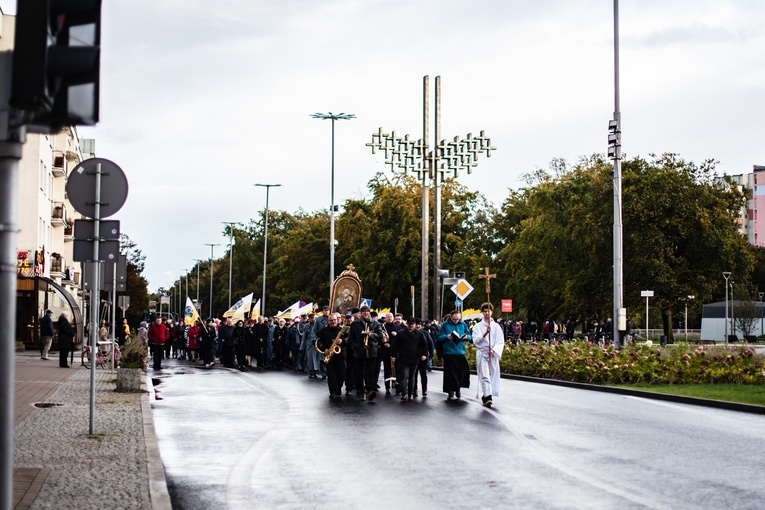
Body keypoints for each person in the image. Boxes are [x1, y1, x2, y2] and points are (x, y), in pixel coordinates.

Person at [471, 303, 505, 407]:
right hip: (482, 353)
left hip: (493, 354)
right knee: (485, 375)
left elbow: (500, 341)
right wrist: (485, 333)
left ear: (491, 312)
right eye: (484, 311)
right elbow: (476, 341)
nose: (486, 313)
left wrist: (494, 350)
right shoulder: (478, 326)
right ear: (482, 312)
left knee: (492, 375)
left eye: (488, 311)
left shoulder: (497, 326)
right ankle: (488, 396)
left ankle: (487, 394)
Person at [347, 305, 383, 401]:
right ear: (361, 313)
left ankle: (370, 390)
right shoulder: (355, 324)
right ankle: (361, 391)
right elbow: (350, 339)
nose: (366, 313)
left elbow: (380, 335)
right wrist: (355, 347)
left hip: (371, 352)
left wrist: (371, 335)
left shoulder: (375, 323)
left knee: (370, 372)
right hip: (359, 352)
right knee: (359, 373)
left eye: (367, 311)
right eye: (364, 311)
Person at [437, 310, 472, 400]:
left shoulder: (463, 324)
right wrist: (447, 336)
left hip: (460, 351)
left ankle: (458, 388)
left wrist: (466, 337)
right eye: (454, 319)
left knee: (462, 371)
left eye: (458, 319)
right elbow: (439, 337)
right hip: (449, 352)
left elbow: (469, 335)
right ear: (450, 317)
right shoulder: (445, 325)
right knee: (451, 374)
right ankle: (451, 391)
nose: (456, 321)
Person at [391, 317, 428, 401]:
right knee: (404, 376)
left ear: (415, 325)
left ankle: (410, 394)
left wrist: (424, 354)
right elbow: (395, 345)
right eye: (409, 324)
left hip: (414, 359)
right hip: (403, 359)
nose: (411, 326)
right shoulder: (401, 333)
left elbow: (425, 345)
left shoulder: (419, 334)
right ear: (407, 324)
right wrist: (393, 356)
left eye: (412, 324)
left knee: (412, 377)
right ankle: (404, 393)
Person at [317, 313, 347, 399]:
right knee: (331, 375)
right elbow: (319, 342)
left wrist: (342, 341)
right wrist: (324, 349)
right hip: (329, 356)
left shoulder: (343, 330)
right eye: (331, 320)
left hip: (341, 355)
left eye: (334, 320)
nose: (333, 321)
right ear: (328, 321)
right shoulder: (323, 331)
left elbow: (350, 340)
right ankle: (332, 392)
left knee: (342, 374)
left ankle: (338, 388)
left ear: (337, 320)